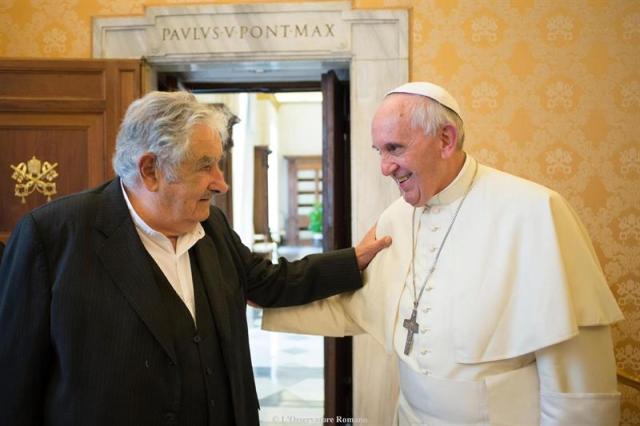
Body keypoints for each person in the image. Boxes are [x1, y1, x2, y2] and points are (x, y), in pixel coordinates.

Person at [0, 91, 391, 426]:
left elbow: (269, 281)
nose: (220, 182)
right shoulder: (52, 237)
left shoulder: (212, 225)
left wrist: (353, 260)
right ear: (151, 170)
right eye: (205, 166)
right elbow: (14, 381)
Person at [263, 82, 624, 425]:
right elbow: (356, 306)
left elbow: (578, 379)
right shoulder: (396, 219)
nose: (385, 167)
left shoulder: (535, 211)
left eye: (395, 148)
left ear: (445, 140)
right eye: (380, 151)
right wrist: (257, 293)